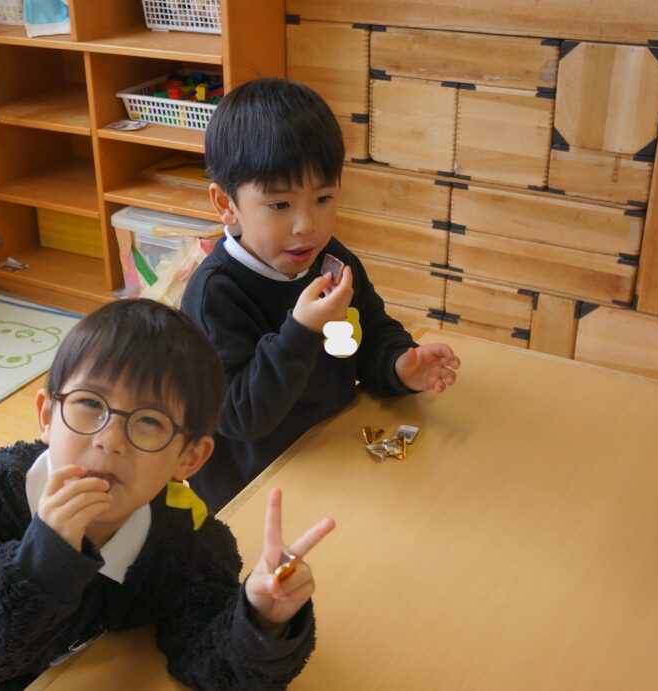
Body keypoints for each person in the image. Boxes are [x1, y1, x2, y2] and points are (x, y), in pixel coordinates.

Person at [0, 299, 336, 691]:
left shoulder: (184, 539)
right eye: (90, 404)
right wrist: (43, 564)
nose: (109, 440)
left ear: (189, 458)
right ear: (47, 415)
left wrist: (261, 620)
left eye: (149, 422)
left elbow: (209, 659)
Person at [180, 78, 461, 511]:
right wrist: (301, 331)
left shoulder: (332, 261)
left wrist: (398, 364)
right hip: (254, 495)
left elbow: (369, 331)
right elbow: (241, 416)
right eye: (280, 205)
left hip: (333, 456)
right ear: (227, 204)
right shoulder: (214, 296)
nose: (306, 225)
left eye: (323, 198)